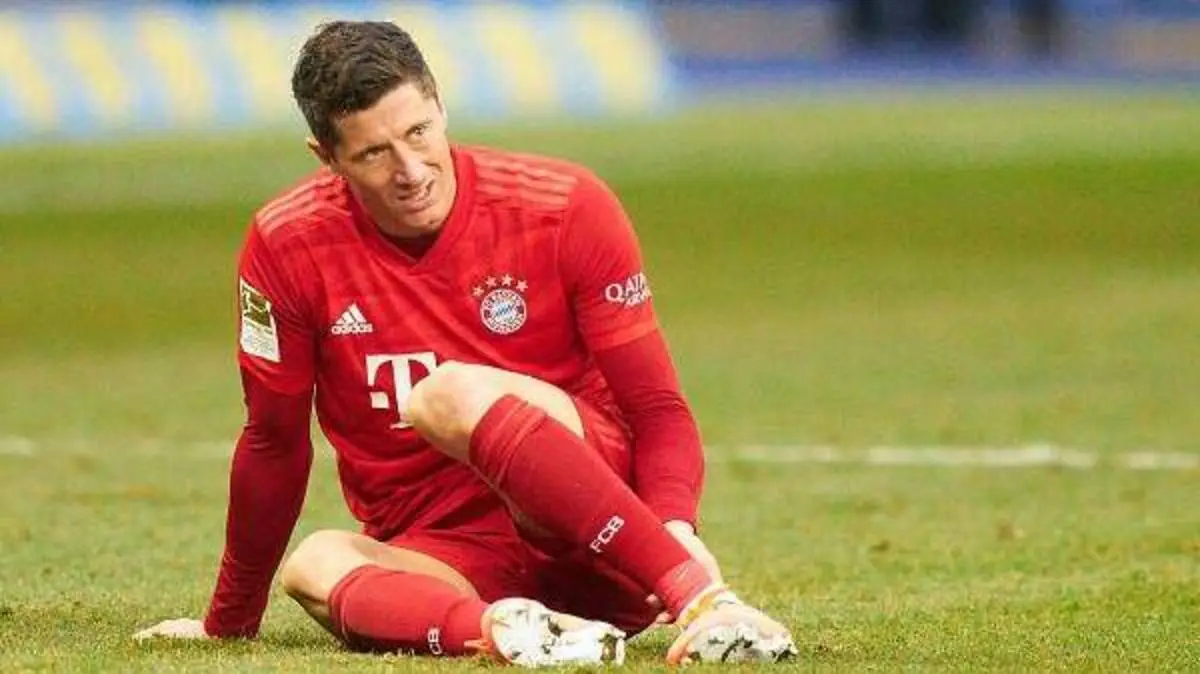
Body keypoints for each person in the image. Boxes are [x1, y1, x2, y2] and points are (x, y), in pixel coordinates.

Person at [133, 20, 796, 666]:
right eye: (373, 154)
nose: (411, 170)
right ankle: (513, 633)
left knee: (446, 393)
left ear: (441, 105)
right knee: (314, 565)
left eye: (419, 133)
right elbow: (273, 443)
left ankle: (705, 603)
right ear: (327, 158)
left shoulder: (563, 207)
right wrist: (228, 623)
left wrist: (674, 531)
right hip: (451, 556)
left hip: (607, 545)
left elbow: (656, 409)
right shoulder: (287, 245)